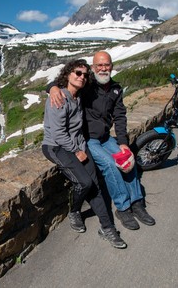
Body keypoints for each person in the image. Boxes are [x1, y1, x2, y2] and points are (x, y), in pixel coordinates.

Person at [47, 51, 155, 231]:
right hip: (89, 140)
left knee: (127, 159)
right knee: (110, 166)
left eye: (107, 65)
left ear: (112, 66)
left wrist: (122, 143)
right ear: (93, 68)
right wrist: (52, 87)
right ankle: (123, 207)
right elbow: (65, 81)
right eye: (99, 66)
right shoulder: (87, 85)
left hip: (106, 138)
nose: (103, 69)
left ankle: (137, 203)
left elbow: (120, 116)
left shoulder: (115, 89)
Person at [42, 59, 127, 249]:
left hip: (77, 145)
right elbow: (58, 133)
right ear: (68, 74)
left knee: (95, 185)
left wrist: (79, 147)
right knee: (84, 182)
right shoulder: (59, 98)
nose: (82, 77)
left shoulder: (78, 97)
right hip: (56, 147)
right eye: (77, 73)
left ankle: (107, 228)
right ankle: (74, 211)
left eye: (85, 74)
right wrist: (77, 150)